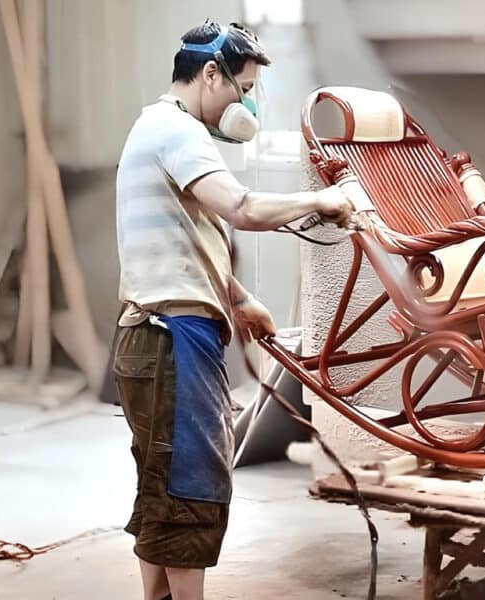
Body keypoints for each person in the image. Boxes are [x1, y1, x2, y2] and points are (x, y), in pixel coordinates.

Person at [112, 20, 353, 600]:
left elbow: (192, 238)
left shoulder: (161, 128)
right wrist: (321, 199)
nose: (246, 103)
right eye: (242, 87)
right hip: (173, 336)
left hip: (158, 333)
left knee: (163, 483)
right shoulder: (179, 132)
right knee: (190, 481)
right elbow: (241, 207)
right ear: (209, 74)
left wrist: (241, 301)